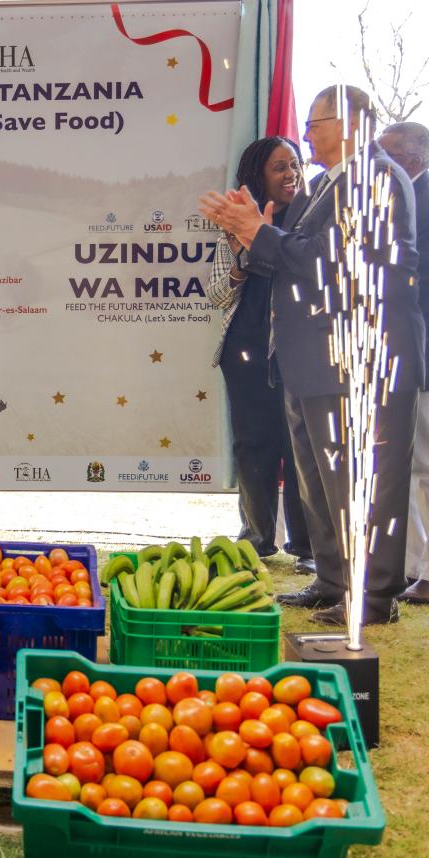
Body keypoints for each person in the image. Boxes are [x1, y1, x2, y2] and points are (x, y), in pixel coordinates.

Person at [201, 86, 424, 627]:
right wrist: (251, 231)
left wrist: (260, 233)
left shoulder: (377, 177)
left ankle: (371, 598)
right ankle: (332, 579)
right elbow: (291, 254)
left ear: (348, 121)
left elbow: (341, 264)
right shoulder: (329, 184)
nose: (307, 135)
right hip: (314, 360)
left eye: (315, 123)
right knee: (323, 482)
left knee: (365, 484)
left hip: (360, 359)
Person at [206, 136, 313, 572]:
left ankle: (308, 547)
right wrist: (238, 257)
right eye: (279, 167)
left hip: (297, 350)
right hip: (245, 350)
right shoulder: (233, 225)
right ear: (258, 175)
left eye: (295, 164)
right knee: (253, 445)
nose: (291, 173)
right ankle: (256, 539)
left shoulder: (313, 217)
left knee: (301, 447)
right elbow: (216, 294)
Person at [378, 121, 429, 603]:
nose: (380, 164)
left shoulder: (419, 199)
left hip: (419, 353)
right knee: (413, 466)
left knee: (423, 466)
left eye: (387, 155)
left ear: (410, 161)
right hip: (410, 354)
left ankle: (425, 569)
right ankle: (415, 566)